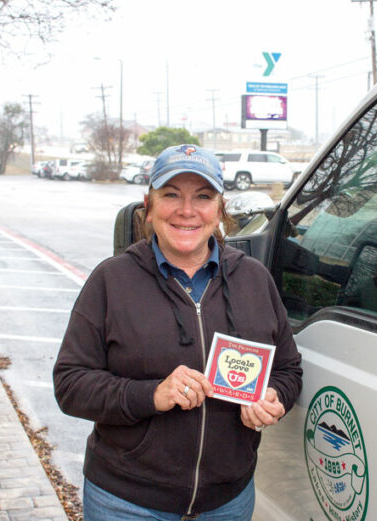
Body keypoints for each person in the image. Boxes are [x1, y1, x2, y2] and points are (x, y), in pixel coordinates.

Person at [53, 144, 303, 520]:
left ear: (219, 210)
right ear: (149, 207)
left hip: (229, 501)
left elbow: (288, 370)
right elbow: (70, 385)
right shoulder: (111, 280)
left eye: (203, 197)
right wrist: (151, 394)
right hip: (127, 502)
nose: (187, 211)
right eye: (171, 195)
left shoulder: (253, 279)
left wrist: (274, 397)